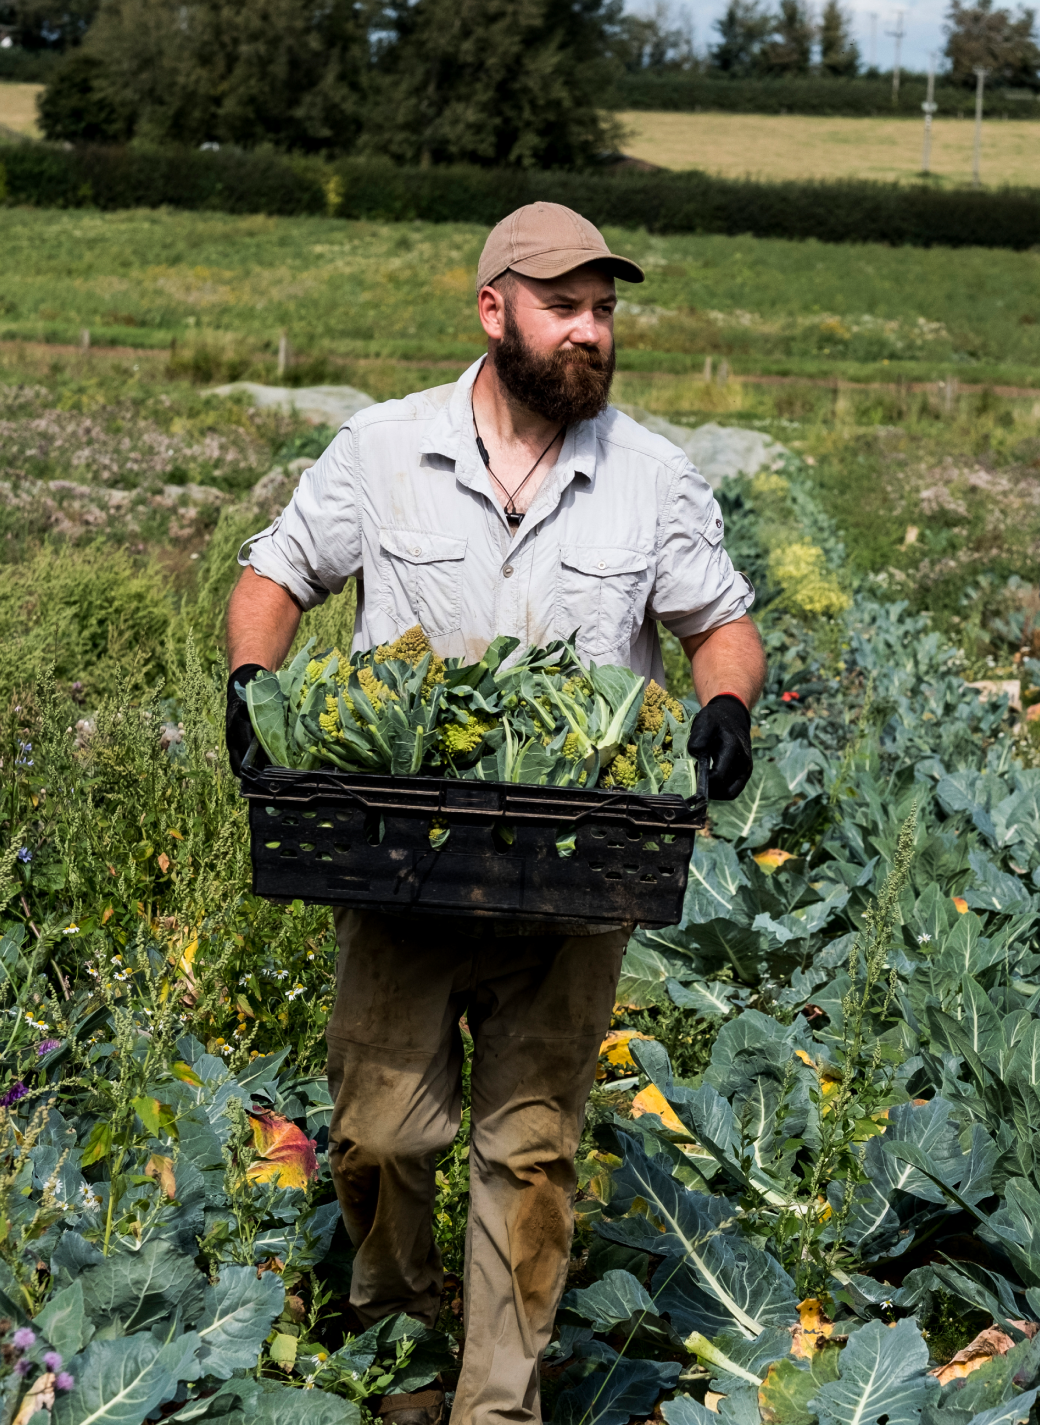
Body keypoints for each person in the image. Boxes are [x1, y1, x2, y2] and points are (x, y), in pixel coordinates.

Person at [222, 202, 765, 1425]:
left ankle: (494, 1402)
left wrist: (726, 704)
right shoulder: (382, 448)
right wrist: (253, 686)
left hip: (574, 880)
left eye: (605, 309)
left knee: (531, 1155)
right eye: (564, 306)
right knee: (380, 1138)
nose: (591, 331)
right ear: (494, 310)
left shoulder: (652, 476)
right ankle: (404, 1340)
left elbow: (719, 626)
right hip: (403, 863)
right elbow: (274, 576)